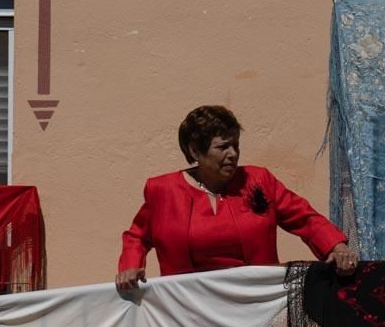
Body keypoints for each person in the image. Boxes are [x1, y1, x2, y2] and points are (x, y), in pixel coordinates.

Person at [116, 105, 357, 288]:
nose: (233, 154)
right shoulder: (163, 190)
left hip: (250, 300)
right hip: (187, 304)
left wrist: (336, 247)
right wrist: (130, 267)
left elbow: (304, 218)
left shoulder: (259, 180)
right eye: (222, 147)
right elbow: (136, 237)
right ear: (195, 151)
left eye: (235, 145)